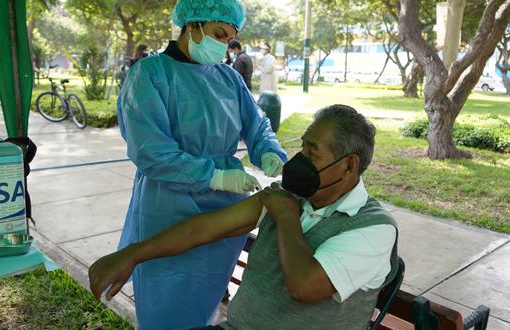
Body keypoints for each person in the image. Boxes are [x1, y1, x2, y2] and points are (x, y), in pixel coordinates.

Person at [90, 104, 399, 330]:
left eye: (312, 152)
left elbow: (304, 286)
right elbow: (204, 229)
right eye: (301, 147)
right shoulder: (288, 198)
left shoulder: (373, 229)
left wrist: (287, 217)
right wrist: (132, 254)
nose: (298, 160)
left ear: (348, 166)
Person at [114, 0, 287, 329]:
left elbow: (257, 124)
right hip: (168, 204)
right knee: (165, 302)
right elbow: (151, 152)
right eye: (218, 34)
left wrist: (269, 151)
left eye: (228, 39)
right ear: (191, 25)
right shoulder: (149, 74)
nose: (223, 46)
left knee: (205, 295)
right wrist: (215, 176)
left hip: (223, 211)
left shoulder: (228, 78)